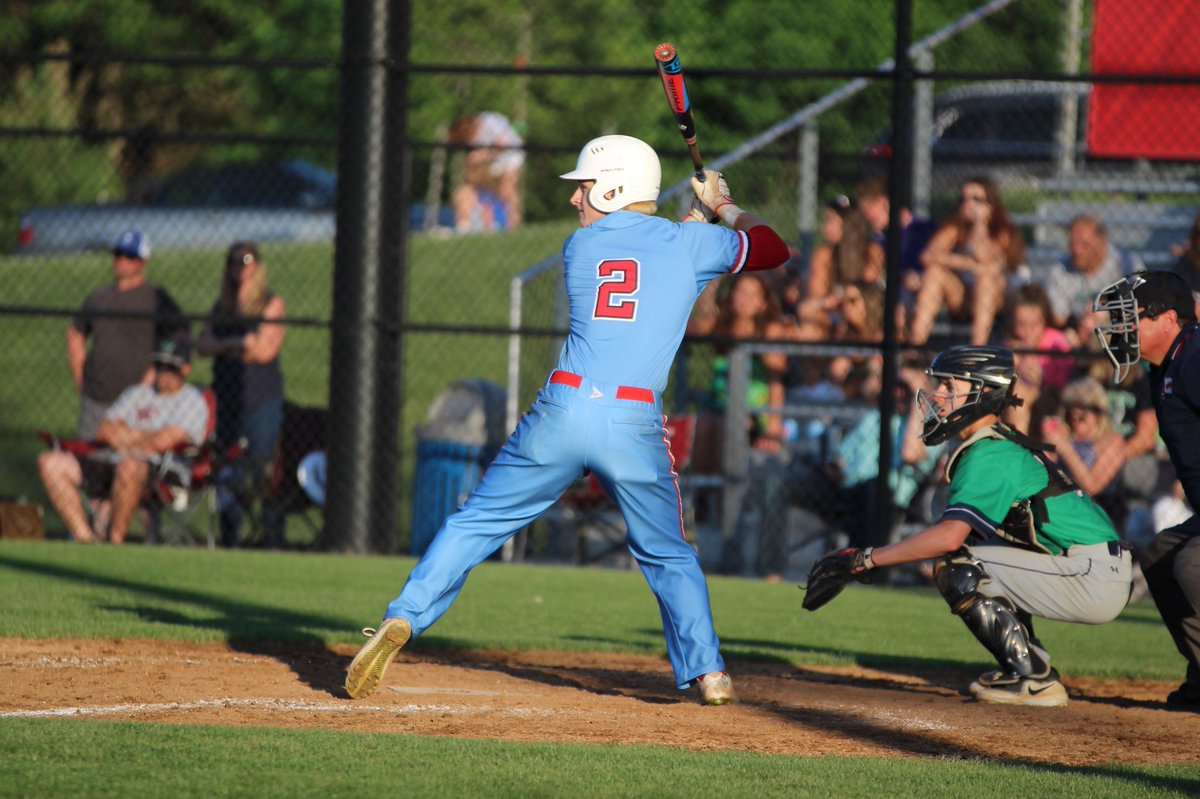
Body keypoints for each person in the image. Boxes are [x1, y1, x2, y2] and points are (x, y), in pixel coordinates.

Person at [344, 135, 789, 705]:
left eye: (584, 187)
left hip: (564, 408)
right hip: (633, 420)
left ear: (612, 188)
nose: (576, 199)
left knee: (478, 521)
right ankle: (709, 671)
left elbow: (654, 256)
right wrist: (723, 206)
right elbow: (770, 250)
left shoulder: (580, 247)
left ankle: (404, 614)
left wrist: (698, 215)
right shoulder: (688, 244)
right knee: (668, 553)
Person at [811, 345, 1131, 707]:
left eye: (950, 386)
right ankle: (1031, 665)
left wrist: (865, 559)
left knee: (957, 567)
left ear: (983, 392)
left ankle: (1033, 680)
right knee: (972, 560)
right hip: (1092, 565)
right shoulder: (991, 444)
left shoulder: (989, 454)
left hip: (1092, 573)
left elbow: (949, 538)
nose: (938, 395)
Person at [1094, 269, 1200, 707]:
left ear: (1170, 320)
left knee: (1192, 565)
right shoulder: (1167, 366)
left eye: (1131, 317)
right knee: (1159, 556)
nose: (1120, 329)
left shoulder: (1194, 356)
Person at [750, 359, 942, 576]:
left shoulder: (931, 425)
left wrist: (918, 398)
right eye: (896, 386)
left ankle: (864, 573)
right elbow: (839, 461)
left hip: (884, 501)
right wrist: (831, 469)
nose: (898, 393)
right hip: (846, 491)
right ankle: (771, 572)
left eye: (904, 389)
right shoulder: (875, 417)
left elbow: (910, 454)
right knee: (778, 482)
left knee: (874, 486)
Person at [38, 335, 208, 545]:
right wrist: (145, 436)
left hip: (161, 472)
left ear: (186, 369)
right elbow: (104, 432)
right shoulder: (138, 393)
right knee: (50, 462)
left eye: (170, 367)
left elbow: (163, 443)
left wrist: (126, 433)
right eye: (159, 365)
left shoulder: (192, 401)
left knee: (129, 464)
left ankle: (115, 541)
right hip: (111, 460)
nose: (163, 372)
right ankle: (85, 539)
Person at [196, 242, 287, 549]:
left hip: (261, 400)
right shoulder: (221, 307)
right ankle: (230, 537)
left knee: (263, 468)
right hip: (226, 399)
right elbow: (203, 345)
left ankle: (271, 536)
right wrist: (240, 343)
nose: (240, 267)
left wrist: (232, 346)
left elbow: (263, 350)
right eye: (234, 261)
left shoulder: (270, 303)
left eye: (246, 261)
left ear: (257, 265)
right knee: (226, 469)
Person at [67, 230, 184, 439]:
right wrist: (79, 375)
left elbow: (177, 336)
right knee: (89, 456)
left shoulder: (155, 298)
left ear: (143, 262)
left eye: (129, 256)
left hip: (137, 396)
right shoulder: (99, 297)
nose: (122, 261)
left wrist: (154, 373)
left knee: (129, 458)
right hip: (97, 394)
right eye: (118, 254)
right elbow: (76, 333)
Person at [686, 272, 791, 473]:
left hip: (754, 413)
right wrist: (717, 275)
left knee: (726, 426)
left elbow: (776, 379)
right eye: (740, 291)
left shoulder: (770, 331)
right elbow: (693, 324)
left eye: (753, 295)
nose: (744, 299)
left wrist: (773, 424)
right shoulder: (721, 326)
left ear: (763, 303)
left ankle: (723, 494)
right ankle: (703, 494)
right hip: (719, 407)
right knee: (704, 425)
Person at [908, 176, 1026, 347]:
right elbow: (928, 256)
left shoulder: (1002, 230)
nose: (968, 203)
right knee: (934, 273)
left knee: (986, 280)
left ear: (990, 205)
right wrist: (969, 265)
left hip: (999, 297)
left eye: (976, 199)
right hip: (966, 296)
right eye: (964, 198)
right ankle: (915, 344)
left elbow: (985, 259)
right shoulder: (956, 228)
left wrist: (979, 225)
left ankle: (976, 348)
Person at [1043, 215, 1144, 346]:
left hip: (1118, 335)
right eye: (1072, 243)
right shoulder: (1060, 270)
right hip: (1076, 337)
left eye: (1084, 244)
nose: (1077, 250)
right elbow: (1058, 319)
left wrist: (1104, 316)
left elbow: (1140, 306)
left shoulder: (1125, 263)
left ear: (1102, 241)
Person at [1041, 377, 1128, 528]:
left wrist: (1065, 450)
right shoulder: (1065, 436)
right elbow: (1043, 471)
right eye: (1070, 407)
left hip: (1098, 509)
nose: (1074, 413)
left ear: (1098, 412)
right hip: (1061, 504)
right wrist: (1048, 444)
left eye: (1082, 408)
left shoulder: (1112, 441)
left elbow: (1091, 487)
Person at [1004, 284, 1073, 435]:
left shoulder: (1056, 341)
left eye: (1034, 324)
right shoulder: (1011, 346)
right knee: (1019, 392)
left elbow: (1062, 381)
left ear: (1044, 321)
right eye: (1021, 324)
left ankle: (1018, 446)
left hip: (1051, 395)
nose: (1028, 332)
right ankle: (1017, 445)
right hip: (1019, 395)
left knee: (1020, 393)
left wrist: (1037, 371)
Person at [448, 111, 524, 233]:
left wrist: (483, 155)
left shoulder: (490, 121)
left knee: (507, 190)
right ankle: (464, 223)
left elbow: (502, 144)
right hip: (490, 162)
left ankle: (513, 225)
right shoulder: (474, 137)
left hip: (510, 158)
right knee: (467, 187)